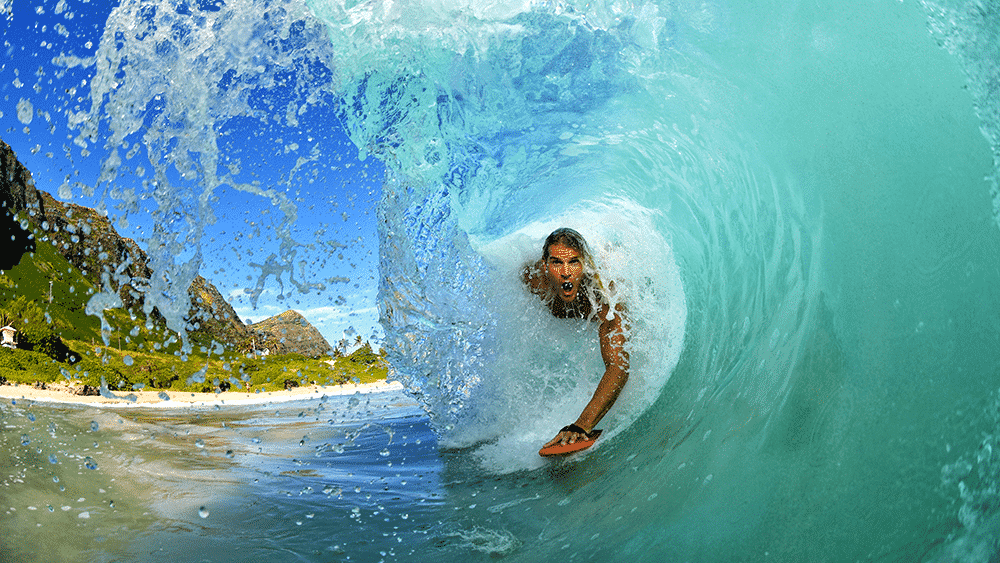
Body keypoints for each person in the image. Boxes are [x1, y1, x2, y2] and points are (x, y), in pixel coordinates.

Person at [522, 227, 629, 449]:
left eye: (574, 262)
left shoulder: (603, 296)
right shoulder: (534, 281)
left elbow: (618, 366)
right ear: (545, 265)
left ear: (584, 264)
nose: (565, 272)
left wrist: (581, 426)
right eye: (557, 263)